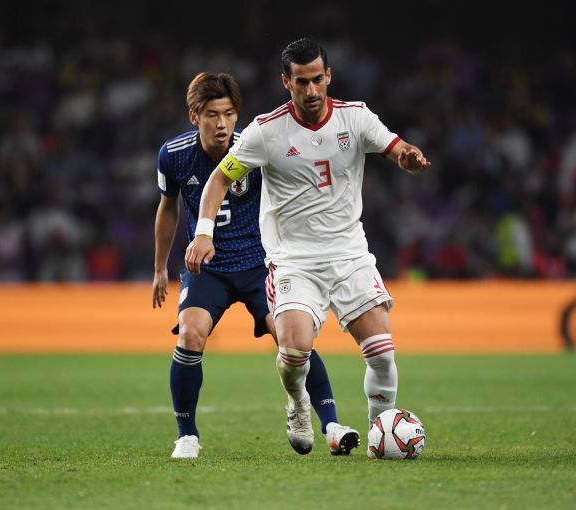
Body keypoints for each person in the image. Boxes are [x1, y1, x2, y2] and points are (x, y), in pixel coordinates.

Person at [185, 39, 431, 456]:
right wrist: (204, 231)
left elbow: (396, 146)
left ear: (328, 75)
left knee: (382, 355)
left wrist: (407, 157)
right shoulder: (266, 131)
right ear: (287, 82)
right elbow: (220, 179)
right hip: (294, 261)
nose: (312, 90)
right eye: (302, 82)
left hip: (350, 256)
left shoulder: (356, 117)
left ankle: (379, 435)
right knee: (295, 350)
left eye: (318, 79)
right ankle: (298, 401)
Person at [152, 72, 359, 458]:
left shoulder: (255, 145)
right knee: (190, 335)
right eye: (212, 114)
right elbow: (168, 208)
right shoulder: (174, 154)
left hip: (260, 265)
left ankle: (331, 426)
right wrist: (160, 267)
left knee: (293, 340)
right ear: (194, 116)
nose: (222, 123)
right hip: (208, 269)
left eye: (229, 114)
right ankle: (187, 436)